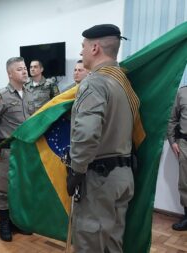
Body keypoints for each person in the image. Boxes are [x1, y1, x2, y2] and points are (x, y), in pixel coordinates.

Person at [67, 24, 138, 252]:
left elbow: (86, 134)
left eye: (83, 46)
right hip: (123, 176)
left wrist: (75, 171)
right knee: (112, 244)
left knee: (90, 243)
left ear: (95, 47)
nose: (81, 52)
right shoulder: (123, 81)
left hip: (99, 179)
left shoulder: (95, 82)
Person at [0, 57, 33, 242]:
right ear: (10, 73)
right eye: (20, 69)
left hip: (26, 151)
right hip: (8, 151)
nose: (25, 71)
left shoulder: (29, 94)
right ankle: (3, 223)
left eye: (25, 68)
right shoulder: (1, 96)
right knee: (4, 189)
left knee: (20, 188)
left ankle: (15, 220)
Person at [167, 86, 187, 231]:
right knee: (185, 182)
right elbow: (172, 118)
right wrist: (172, 141)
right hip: (185, 144)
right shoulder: (182, 92)